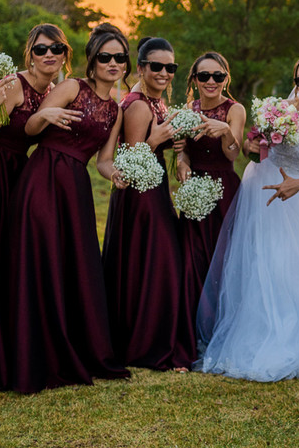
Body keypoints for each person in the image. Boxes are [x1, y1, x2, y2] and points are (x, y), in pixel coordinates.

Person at [197, 54, 299, 382]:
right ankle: (261, 329)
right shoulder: (280, 109)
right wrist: (253, 144)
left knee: (297, 269)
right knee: (262, 264)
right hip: (262, 193)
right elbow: (255, 147)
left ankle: (294, 333)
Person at [6, 23, 131, 393]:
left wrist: (118, 174)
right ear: (93, 61)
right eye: (106, 56)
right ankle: (33, 354)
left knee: (71, 263)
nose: (113, 63)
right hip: (43, 177)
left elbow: (103, 161)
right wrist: (44, 116)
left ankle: (70, 346)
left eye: (120, 57)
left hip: (75, 186)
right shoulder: (72, 87)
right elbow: (30, 128)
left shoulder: (116, 110)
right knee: (40, 258)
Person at [0, 23, 69, 390]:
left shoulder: (54, 92)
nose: (49, 54)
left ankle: (2, 342)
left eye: (57, 48)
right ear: (29, 55)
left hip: (18, 176)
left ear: (65, 55)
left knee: (4, 260)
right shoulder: (13, 85)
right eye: (41, 49)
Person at [102, 36, 192, 370]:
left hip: (155, 190)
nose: (164, 72)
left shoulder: (158, 103)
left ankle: (150, 337)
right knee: (157, 264)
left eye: (170, 67)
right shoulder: (138, 104)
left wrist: (178, 150)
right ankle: (148, 346)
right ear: (140, 67)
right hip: (140, 196)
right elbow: (132, 158)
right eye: (156, 66)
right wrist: (156, 139)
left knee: (156, 264)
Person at [173, 51, 246, 365]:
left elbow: (233, 154)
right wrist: (181, 162)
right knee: (193, 263)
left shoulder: (235, 109)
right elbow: (183, 154)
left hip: (225, 193)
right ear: (195, 80)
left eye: (218, 76)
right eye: (204, 76)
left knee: (225, 263)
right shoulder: (187, 111)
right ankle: (194, 336)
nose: (212, 82)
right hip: (194, 192)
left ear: (226, 79)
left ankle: (224, 332)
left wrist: (225, 131)